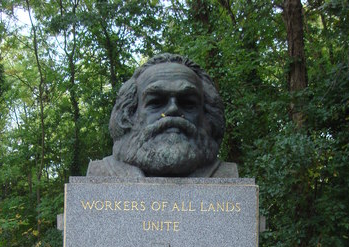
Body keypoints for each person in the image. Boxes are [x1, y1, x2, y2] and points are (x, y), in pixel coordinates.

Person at [87, 53, 238, 178]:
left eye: (188, 103)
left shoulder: (227, 176)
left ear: (208, 117)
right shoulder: (101, 174)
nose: (173, 109)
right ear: (129, 115)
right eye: (156, 102)